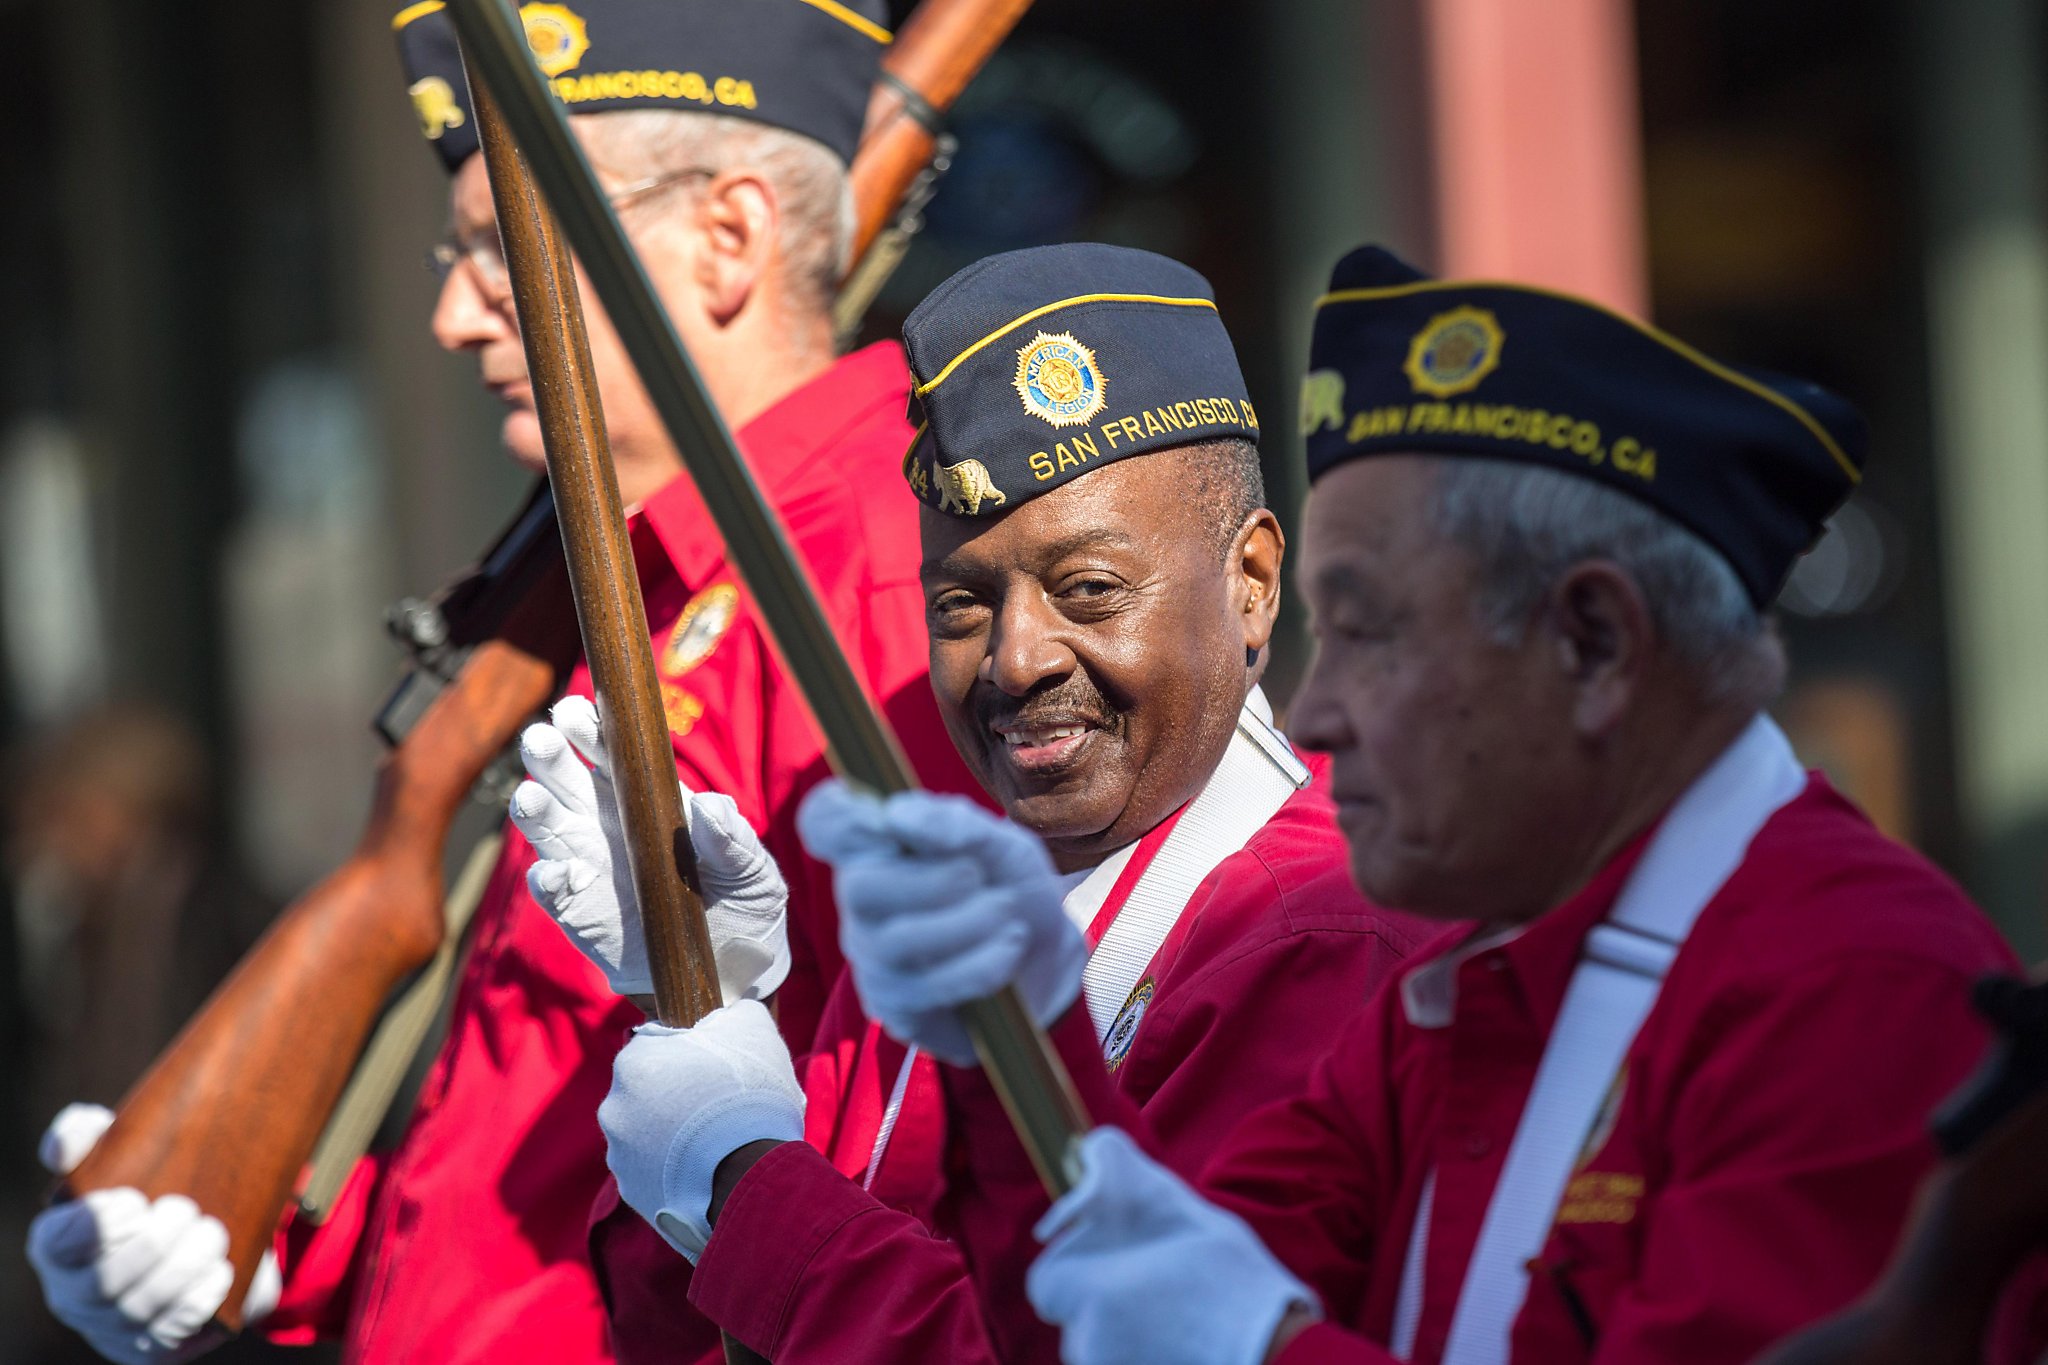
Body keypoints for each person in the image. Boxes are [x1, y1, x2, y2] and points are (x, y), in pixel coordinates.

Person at [807, 245, 2023, 1365]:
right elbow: (1106, 1302)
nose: (1317, 713)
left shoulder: (1845, 985)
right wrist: (1014, 1040)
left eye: (1371, 634)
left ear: (1593, 644)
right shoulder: (1466, 986)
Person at [25, 2, 978, 1361]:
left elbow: (906, 1168)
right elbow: (539, 1153)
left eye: (496, 249)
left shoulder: (886, 582)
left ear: (730, 240)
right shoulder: (634, 594)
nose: (452, 312)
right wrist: (271, 1246)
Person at [514, 243, 1433, 1362]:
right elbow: (693, 1336)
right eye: (959, 604)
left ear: (1248, 582)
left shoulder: (1321, 939)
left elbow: (1048, 1346)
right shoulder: (948, 919)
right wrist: (711, 1007)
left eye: (1088, 590)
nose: (1013, 661)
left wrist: (743, 1180)